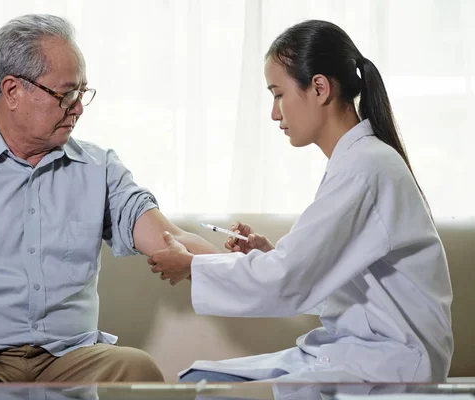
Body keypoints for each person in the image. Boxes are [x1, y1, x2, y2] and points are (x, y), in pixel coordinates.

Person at [0, 14, 218, 400]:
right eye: (65, 94)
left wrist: (249, 265)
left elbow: (170, 238)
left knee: (137, 369)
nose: (79, 107)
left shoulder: (99, 167)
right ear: (12, 91)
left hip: (69, 357)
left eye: (83, 92)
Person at [148, 19, 453, 383]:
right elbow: (318, 280)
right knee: (199, 378)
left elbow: (289, 281)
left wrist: (192, 267)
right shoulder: (360, 162)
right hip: (368, 351)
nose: (275, 113)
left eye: (278, 94)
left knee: (202, 383)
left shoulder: (364, 168)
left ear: (320, 87)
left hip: (390, 362)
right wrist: (270, 255)